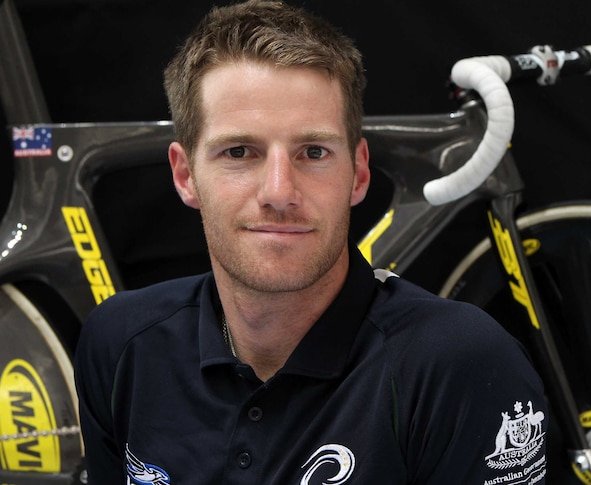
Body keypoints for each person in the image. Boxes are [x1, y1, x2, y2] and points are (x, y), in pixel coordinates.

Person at [73, 1, 548, 483]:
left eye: (314, 152)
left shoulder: (459, 364)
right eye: (239, 151)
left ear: (359, 172)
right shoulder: (119, 343)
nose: (279, 191)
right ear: (185, 174)